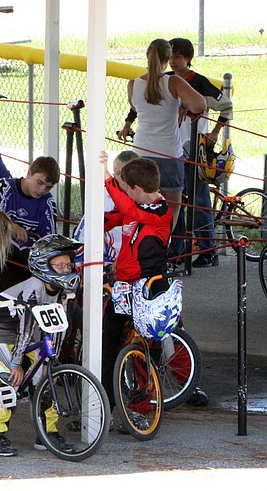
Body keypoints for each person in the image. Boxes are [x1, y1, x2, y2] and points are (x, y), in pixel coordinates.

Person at [0, 235, 81, 456]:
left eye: (68, 264)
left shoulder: (62, 291)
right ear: (43, 265)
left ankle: (47, 433)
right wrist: (15, 363)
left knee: (43, 377)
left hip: (23, 330)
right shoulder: (35, 286)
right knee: (9, 378)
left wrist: (49, 362)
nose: (66, 269)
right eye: (59, 265)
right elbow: (25, 328)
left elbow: (60, 327)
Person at [99, 152, 172, 410]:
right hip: (124, 286)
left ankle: (142, 405)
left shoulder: (161, 211)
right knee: (107, 341)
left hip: (150, 286)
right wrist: (99, 220)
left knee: (146, 347)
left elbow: (128, 208)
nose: (125, 193)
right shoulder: (136, 207)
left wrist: (108, 179)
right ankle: (105, 403)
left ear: (138, 189)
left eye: (127, 189)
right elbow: (119, 216)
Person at [117, 38, 207, 234]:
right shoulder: (173, 82)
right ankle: (162, 247)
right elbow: (200, 105)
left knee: (140, 205)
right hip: (168, 154)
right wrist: (182, 104)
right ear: (168, 58)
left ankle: (139, 246)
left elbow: (135, 107)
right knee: (172, 207)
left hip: (140, 151)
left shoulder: (133, 84)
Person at [164, 37, 234, 269]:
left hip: (194, 148)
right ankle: (178, 250)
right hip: (169, 148)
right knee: (174, 201)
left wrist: (215, 131)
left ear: (188, 59)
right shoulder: (165, 80)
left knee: (199, 200)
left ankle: (208, 250)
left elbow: (226, 106)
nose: (174, 61)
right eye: (171, 56)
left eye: (178, 57)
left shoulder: (199, 82)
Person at [0, 156, 59, 290]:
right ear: (29, 173)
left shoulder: (48, 202)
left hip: (28, 261)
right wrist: (11, 226)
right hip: (0, 255)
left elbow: (49, 241)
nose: (42, 190)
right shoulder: (4, 186)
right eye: (39, 182)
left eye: (48, 187)